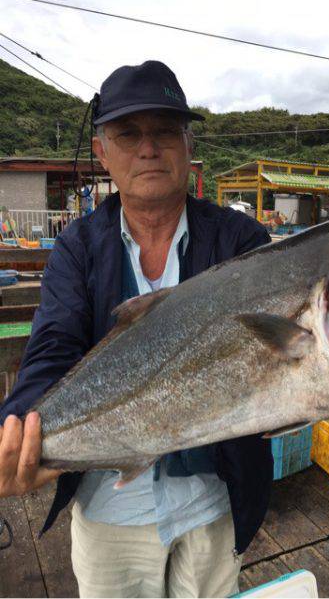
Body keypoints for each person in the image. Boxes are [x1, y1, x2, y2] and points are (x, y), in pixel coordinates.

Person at [0, 61, 273, 598]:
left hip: (213, 505)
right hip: (108, 512)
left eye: (165, 130)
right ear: (102, 153)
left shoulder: (240, 240)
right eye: (128, 134)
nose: (149, 148)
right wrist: (17, 428)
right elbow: (52, 346)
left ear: (188, 144)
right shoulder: (77, 248)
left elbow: (272, 345)